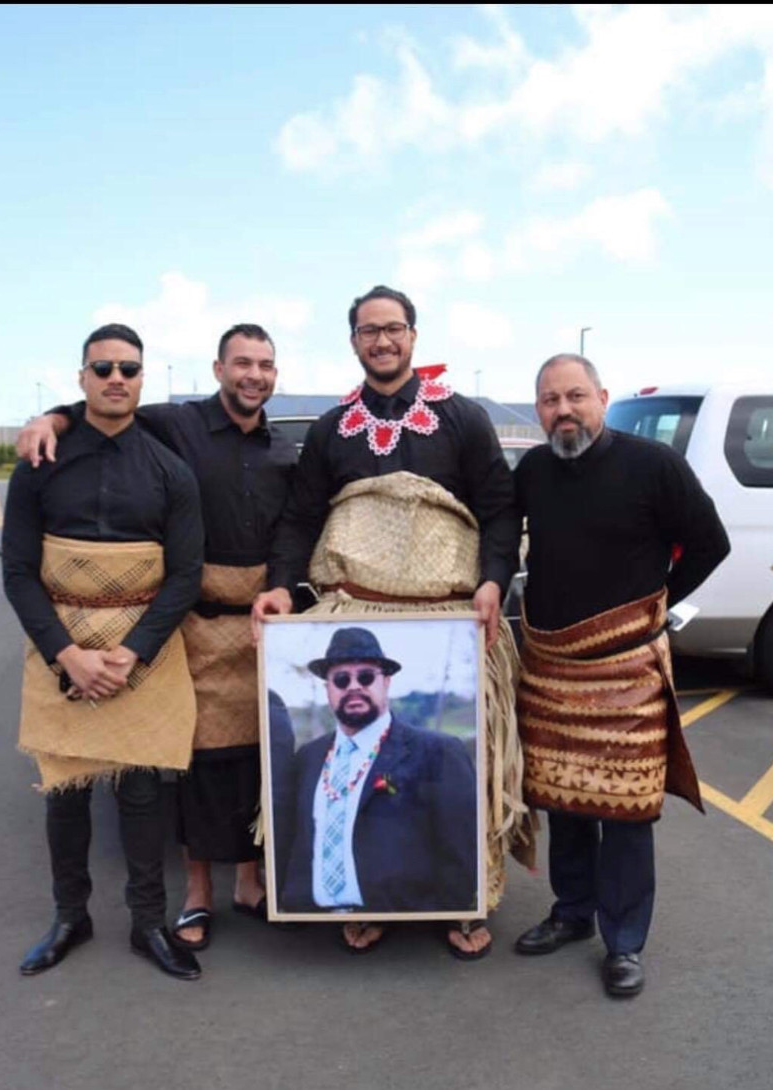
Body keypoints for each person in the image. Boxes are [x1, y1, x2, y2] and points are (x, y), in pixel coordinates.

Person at [253, 285, 530, 959]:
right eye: (369, 331)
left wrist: (494, 580)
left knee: (462, 772)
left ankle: (465, 902)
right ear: (353, 341)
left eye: (394, 329)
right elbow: (300, 518)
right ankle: (361, 897)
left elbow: (499, 507)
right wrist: (278, 589)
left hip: (450, 616)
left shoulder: (461, 418)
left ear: (414, 336)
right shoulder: (329, 430)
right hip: (357, 601)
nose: (382, 340)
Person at [15, 323, 297, 949]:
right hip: (167, 626)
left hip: (240, 626)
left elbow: (290, 530)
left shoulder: (280, 449)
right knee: (167, 767)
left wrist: (280, 584)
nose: (254, 374)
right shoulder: (176, 427)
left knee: (244, 760)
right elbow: (19, 565)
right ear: (218, 369)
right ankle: (152, 904)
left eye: (266, 364)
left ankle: (221, 895)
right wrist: (50, 419)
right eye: (242, 363)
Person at [512, 353, 730, 998]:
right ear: (538, 410)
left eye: (575, 396)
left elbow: (710, 541)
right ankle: (572, 912)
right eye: (550, 401)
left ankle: (625, 941)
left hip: (628, 665)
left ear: (602, 398)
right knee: (565, 800)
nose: (564, 411)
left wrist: (654, 602)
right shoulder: (533, 470)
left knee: (629, 810)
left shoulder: (653, 465)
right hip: (551, 666)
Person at [3, 323, 205, 980]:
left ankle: (148, 922)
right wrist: (66, 653)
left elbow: (184, 574)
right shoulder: (39, 466)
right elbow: (17, 571)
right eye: (103, 368)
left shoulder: (171, 470)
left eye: (128, 368)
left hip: (138, 652)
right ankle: (70, 915)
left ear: (143, 379)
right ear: (82, 377)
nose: (116, 378)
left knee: (142, 789)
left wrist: (132, 652)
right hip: (60, 649)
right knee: (64, 792)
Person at [279, 627, 478, 919]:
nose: (354, 686)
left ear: (386, 682)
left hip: (401, 928)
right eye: (342, 679)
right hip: (311, 931)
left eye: (366, 676)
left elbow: (459, 852)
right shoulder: (307, 758)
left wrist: (449, 920)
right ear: (328, 689)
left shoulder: (437, 752)